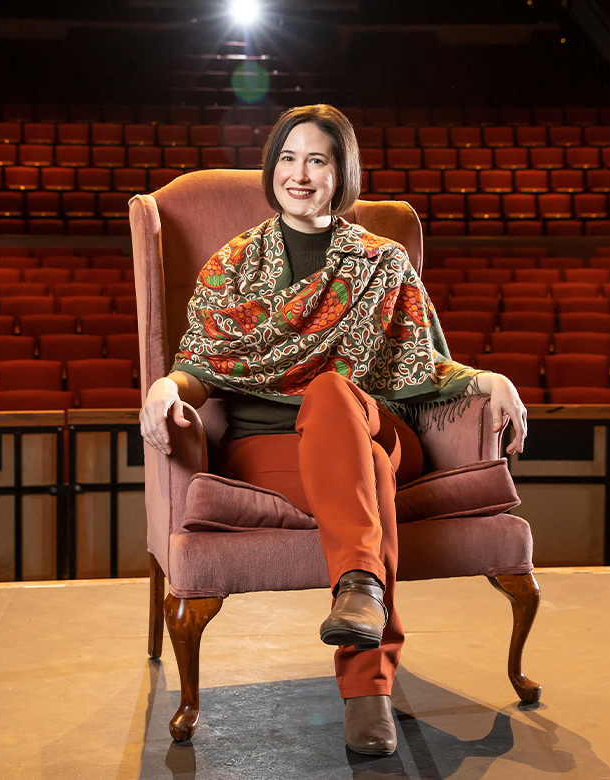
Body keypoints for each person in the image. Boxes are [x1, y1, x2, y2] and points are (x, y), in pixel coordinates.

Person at [139, 104, 528, 756]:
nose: (299, 173)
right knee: (365, 477)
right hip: (271, 446)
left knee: (332, 393)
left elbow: (421, 362)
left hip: (376, 423)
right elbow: (201, 366)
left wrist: (490, 380)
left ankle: (362, 621)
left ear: (340, 172)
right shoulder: (232, 264)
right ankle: (367, 663)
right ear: (272, 170)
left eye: (317, 159)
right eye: (288, 158)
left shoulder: (383, 261)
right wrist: (164, 386)